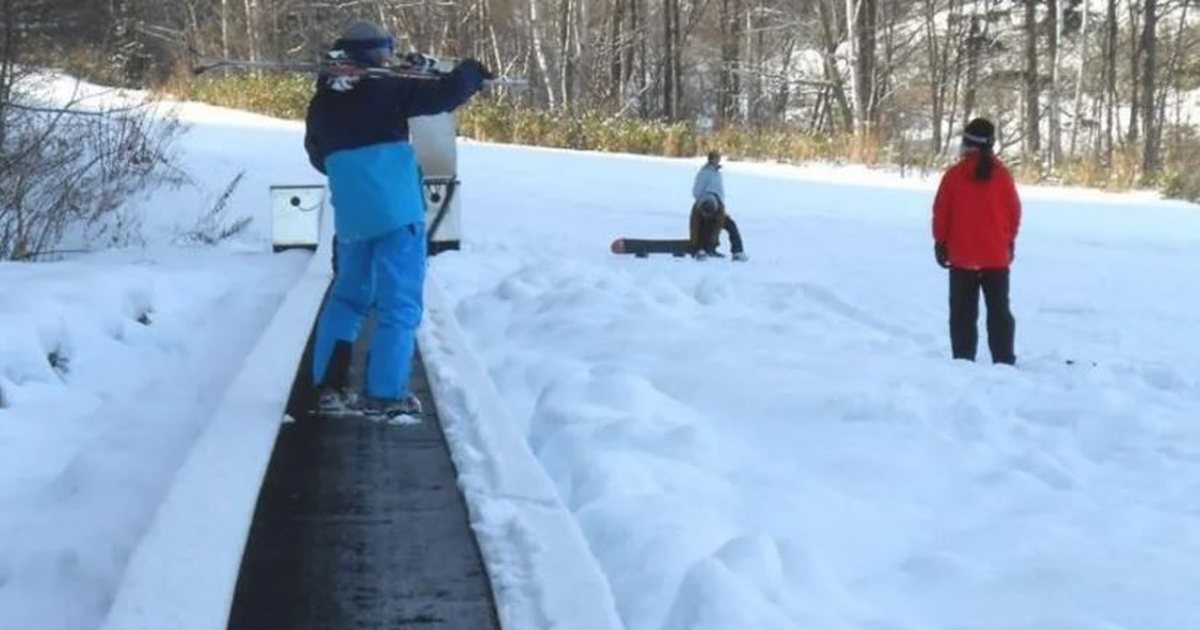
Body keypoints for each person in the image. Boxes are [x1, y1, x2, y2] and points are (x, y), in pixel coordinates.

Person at [304, 21, 492, 417]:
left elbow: (319, 158)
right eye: (386, 51)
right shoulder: (388, 87)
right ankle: (385, 394)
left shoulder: (322, 102)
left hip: (352, 218)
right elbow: (444, 95)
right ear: (374, 52)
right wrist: (471, 73)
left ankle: (330, 387)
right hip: (398, 215)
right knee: (399, 304)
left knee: (348, 298)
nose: (390, 57)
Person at [932, 118, 1021, 365]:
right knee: (999, 312)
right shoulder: (1003, 176)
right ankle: (1003, 360)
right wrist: (1008, 242)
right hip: (996, 257)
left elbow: (941, 213)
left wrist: (941, 243)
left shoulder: (954, 176)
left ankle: (963, 360)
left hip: (962, 258)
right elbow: (1014, 214)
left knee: (962, 314)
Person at [690, 151, 747, 261]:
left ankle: (737, 252)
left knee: (730, 225)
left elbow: (720, 192)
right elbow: (696, 191)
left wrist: (721, 205)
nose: (717, 160)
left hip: (718, 205)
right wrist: (703, 201)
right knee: (705, 225)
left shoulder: (717, 174)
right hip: (706, 204)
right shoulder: (704, 173)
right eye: (716, 158)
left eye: (718, 158)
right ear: (711, 159)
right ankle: (703, 250)